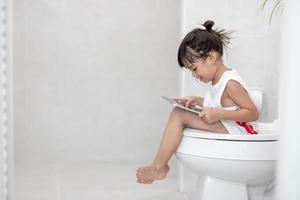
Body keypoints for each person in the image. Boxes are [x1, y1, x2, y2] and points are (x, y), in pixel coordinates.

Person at [136, 20, 259, 184]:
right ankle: (159, 165)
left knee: (179, 115)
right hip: (230, 126)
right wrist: (197, 101)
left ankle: (158, 167)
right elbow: (222, 104)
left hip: (240, 132)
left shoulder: (230, 83)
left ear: (211, 58)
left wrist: (218, 114)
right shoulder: (218, 80)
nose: (194, 75)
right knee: (181, 112)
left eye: (194, 68)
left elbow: (252, 113)